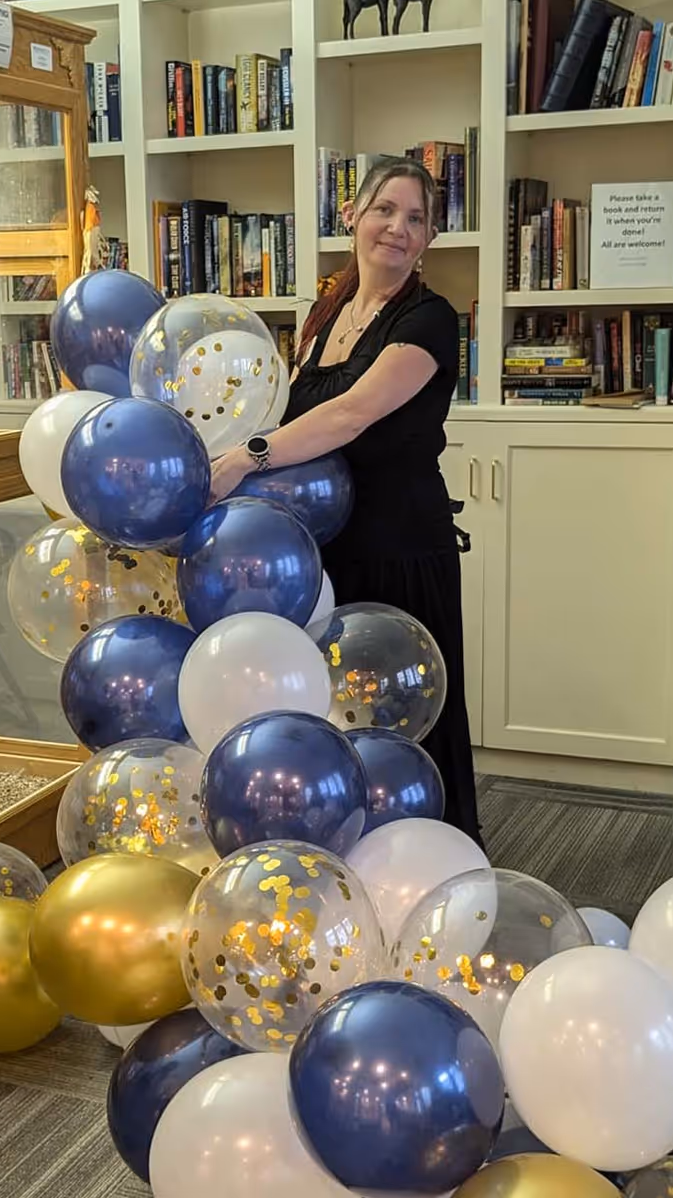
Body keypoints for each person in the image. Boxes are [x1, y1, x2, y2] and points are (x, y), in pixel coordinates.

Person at [208, 157, 480, 844]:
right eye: (386, 209)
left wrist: (248, 457)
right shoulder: (325, 314)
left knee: (408, 719)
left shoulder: (429, 318)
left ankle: (430, 858)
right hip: (329, 549)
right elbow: (288, 409)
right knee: (334, 714)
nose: (398, 228)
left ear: (428, 240)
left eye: (417, 219)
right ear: (352, 216)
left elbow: (350, 415)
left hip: (400, 546)